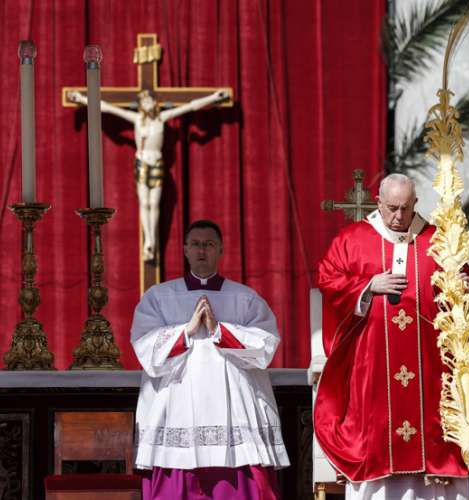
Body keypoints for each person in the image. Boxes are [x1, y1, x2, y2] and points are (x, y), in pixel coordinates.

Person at [314, 173, 469, 500]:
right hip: (374, 369)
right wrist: (368, 286)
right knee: (377, 440)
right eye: (392, 208)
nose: (398, 217)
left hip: (430, 371)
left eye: (405, 208)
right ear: (378, 203)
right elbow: (329, 281)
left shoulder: (439, 244)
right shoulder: (352, 240)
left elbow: (467, 302)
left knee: (434, 441)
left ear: (416, 205)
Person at [131, 219, 288, 499]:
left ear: (221, 250)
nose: (202, 250)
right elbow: (145, 347)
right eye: (195, 244)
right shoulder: (159, 297)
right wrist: (187, 331)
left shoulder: (245, 298)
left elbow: (266, 345)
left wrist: (219, 330)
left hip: (236, 405)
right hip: (176, 405)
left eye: (209, 244)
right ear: (185, 250)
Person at [67, 89, 228, 261]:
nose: (147, 104)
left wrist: (213, 98)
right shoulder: (136, 119)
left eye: (150, 101)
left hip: (157, 164)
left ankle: (152, 239)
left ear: (154, 103)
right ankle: (149, 241)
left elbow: (190, 107)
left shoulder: (162, 118)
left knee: (154, 203)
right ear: (141, 106)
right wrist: (82, 99)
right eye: (144, 102)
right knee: (144, 202)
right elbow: (107, 108)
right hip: (142, 163)